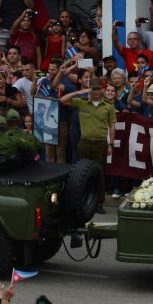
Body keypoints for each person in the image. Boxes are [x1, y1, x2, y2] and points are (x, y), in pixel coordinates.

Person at [59, 78, 116, 213]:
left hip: (101, 142)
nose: (95, 92)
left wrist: (111, 144)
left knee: (100, 173)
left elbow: (112, 126)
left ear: (102, 90)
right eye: (93, 89)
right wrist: (79, 91)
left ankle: (98, 202)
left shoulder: (108, 106)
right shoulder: (82, 102)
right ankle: (83, 198)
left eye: (97, 89)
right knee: (83, 172)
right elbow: (63, 100)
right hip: (85, 142)